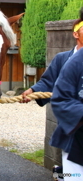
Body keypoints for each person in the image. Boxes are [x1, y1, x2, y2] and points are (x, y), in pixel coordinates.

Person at [22, 8, 83, 181]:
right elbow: (48, 81)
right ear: (75, 34)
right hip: (73, 126)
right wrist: (33, 90)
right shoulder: (64, 59)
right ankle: (64, 173)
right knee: (76, 172)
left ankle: (60, 172)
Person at [50, 43, 83, 181]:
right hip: (78, 144)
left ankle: (60, 173)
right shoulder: (72, 60)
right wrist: (33, 90)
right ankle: (61, 174)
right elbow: (59, 98)